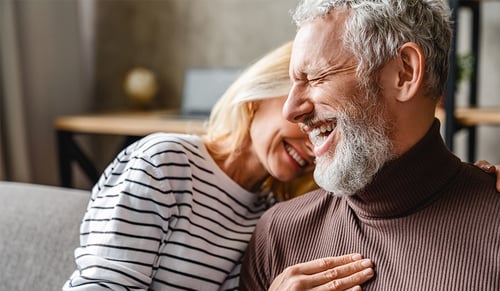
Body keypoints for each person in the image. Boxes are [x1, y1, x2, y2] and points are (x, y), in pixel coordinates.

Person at [62, 41, 376, 291]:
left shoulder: (270, 215)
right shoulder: (164, 163)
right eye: (307, 120)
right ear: (260, 96)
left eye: (327, 131)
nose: (314, 145)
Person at [240, 1, 500, 290]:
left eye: (314, 78)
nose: (291, 110)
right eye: (293, 84)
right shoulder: (277, 234)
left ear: (404, 73)